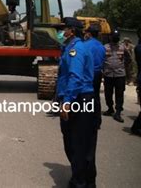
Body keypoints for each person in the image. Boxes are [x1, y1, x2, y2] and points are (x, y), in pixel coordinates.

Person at [57, 17, 98, 187]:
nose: (60, 32)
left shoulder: (76, 50)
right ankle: (87, 180)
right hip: (80, 98)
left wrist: (67, 102)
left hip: (78, 99)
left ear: (71, 31)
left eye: (63, 29)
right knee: (83, 143)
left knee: (76, 143)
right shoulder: (71, 47)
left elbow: (75, 76)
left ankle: (79, 182)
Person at [102, 29, 131, 122]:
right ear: (110, 37)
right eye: (113, 37)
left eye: (116, 37)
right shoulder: (105, 47)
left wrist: (124, 68)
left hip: (120, 74)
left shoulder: (123, 47)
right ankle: (110, 108)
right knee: (108, 93)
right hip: (108, 74)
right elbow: (101, 58)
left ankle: (118, 111)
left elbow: (129, 59)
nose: (115, 39)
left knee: (119, 93)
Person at [84, 25, 106, 128]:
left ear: (89, 33)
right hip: (98, 74)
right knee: (96, 97)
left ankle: (86, 120)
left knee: (86, 96)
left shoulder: (86, 45)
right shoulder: (101, 46)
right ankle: (97, 121)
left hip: (88, 74)